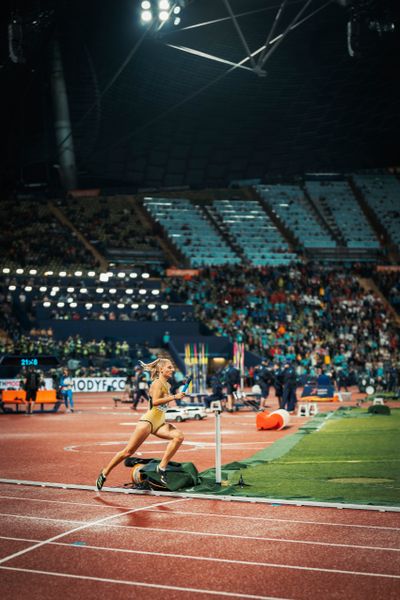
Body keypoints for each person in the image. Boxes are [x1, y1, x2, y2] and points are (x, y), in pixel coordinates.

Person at [96, 357, 186, 490]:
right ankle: (104, 472)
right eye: (169, 367)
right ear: (161, 369)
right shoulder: (157, 383)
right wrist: (174, 397)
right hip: (148, 422)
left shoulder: (167, 385)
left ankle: (161, 467)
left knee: (179, 436)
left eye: (172, 367)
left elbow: (163, 403)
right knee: (128, 452)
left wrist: (177, 394)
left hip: (160, 423)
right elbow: (155, 402)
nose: (172, 369)